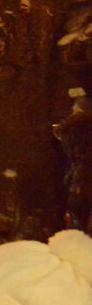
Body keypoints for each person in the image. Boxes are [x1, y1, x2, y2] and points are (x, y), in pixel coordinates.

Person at [55, 94, 92, 231]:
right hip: (81, 176)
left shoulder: (71, 130)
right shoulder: (81, 129)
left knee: (78, 216)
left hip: (78, 178)